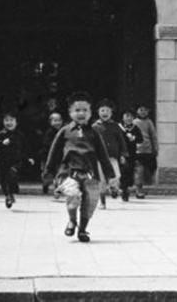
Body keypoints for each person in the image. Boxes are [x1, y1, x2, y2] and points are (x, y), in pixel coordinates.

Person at [43, 91, 118, 243]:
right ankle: (72, 221)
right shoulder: (64, 131)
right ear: (70, 112)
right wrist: (48, 172)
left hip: (90, 173)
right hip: (69, 171)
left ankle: (83, 230)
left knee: (90, 202)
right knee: (73, 195)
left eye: (85, 110)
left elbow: (103, 156)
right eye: (77, 110)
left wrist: (110, 176)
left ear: (90, 113)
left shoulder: (95, 133)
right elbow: (54, 152)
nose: (81, 113)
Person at [92, 98, 128, 208]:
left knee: (116, 176)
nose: (105, 113)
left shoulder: (115, 126)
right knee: (101, 180)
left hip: (112, 157)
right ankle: (102, 201)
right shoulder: (94, 127)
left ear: (111, 113)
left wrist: (123, 154)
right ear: (98, 112)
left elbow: (121, 141)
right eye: (102, 110)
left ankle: (114, 188)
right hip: (99, 158)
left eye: (107, 111)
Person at [0, 111, 29, 209]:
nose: (9, 122)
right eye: (6, 120)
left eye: (11, 120)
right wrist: (2, 143)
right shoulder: (1, 134)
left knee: (12, 174)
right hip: (2, 161)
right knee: (4, 179)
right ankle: (8, 196)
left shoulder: (20, 135)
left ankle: (13, 189)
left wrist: (28, 157)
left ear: (16, 122)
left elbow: (25, 147)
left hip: (16, 161)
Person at [133, 103, 158, 198]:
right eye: (141, 110)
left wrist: (155, 148)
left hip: (148, 150)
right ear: (137, 111)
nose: (143, 112)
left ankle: (143, 187)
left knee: (149, 169)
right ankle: (138, 190)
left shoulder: (149, 122)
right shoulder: (134, 122)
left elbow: (153, 136)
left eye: (145, 110)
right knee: (139, 170)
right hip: (137, 151)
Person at [118, 109, 143, 202]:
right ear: (123, 117)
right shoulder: (118, 127)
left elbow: (141, 139)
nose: (128, 118)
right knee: (122, 171)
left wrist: (134, 138)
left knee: (130, 171)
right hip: (121, 153)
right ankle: (123, 190)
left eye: (131, 116)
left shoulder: (135, 128)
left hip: (132, 153)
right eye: (126, 116)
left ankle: (126, 188)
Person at [38, 111, 63, 193]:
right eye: (55, 121)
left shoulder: (63, 131)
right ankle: (45, 185)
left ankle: (58, 187)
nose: (57, 123)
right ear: (50, 122)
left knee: (59, 172)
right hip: (47, 156)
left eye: (59, 120)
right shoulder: (49, 132)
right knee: (47, 172)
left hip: (59, 156)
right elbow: (46, 143)